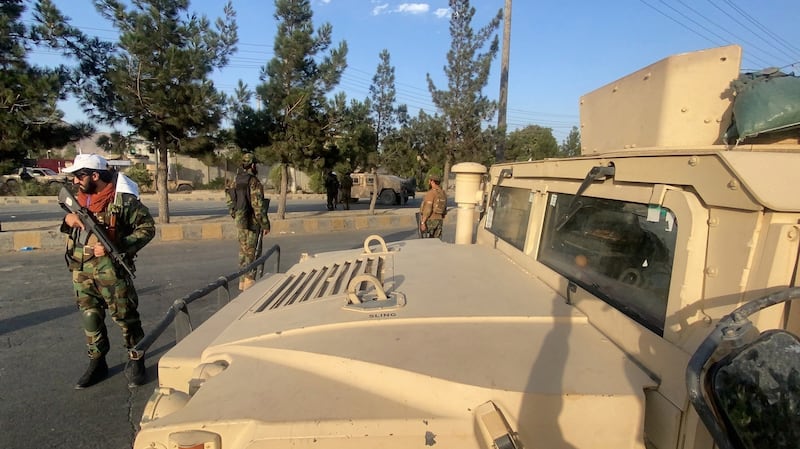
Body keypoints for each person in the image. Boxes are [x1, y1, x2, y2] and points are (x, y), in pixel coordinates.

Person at [60, 154, 155, 389]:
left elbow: (147, 228)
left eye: (79, 176)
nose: (75, 182)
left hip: (111, 270)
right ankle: (97, 361)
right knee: (90, 316)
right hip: (81, 268)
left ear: (95, 175)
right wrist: (67, 219)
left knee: (126, 318)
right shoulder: (79, 199)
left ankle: (136, 360)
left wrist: (118, 245)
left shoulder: (122, 200)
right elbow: (73, 226)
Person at [226, 151, 271, 291]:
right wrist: (265, 224)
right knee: (252, 253)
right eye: (255, 164)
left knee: (242, 252)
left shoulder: (235, 180)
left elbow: (229, 201)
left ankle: (242, 282)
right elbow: (258, 206)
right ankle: (249, 284)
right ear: (252, 165)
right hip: (252, 223)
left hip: (240, 221)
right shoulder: (254, 182)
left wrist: (236, 215)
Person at [419, 174, 447, 239]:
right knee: (437, 241)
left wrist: (423, 222)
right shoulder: (443, 193)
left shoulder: (431, 193)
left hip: (431, 220)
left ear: (432, 182)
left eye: (429, 180)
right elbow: (444, 209)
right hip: (439, 220)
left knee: (428, 242)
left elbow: (428, 209)